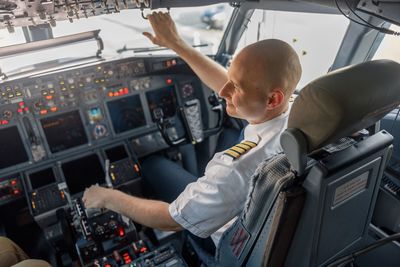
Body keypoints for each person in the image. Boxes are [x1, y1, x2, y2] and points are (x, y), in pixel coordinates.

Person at [83, 12, 302, 248]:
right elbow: (233, 88)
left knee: (152, 165)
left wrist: (107, 197)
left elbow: (171, 220)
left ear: (272, 99)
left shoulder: (235, 169)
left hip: (229, 243)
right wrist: (175, 43)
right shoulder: (302, 117)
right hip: (277, 236)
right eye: (229, 78)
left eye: (235, 87)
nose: (222, 92)